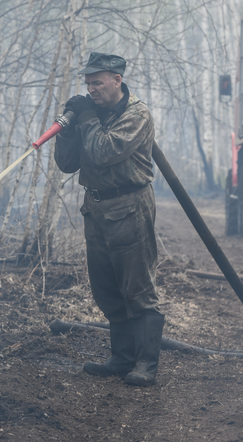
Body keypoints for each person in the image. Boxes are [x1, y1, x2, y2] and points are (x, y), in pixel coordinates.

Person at [54, 52, 164, 387]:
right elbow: (67, 164)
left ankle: (146, 363)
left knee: (138, 287)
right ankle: (121, 359)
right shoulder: (92, 113)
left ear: (117, 80)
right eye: (88, 84)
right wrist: (69, 129)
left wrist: (86, 118)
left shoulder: (137, 114)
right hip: (96, 207)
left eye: (97, 83)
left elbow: (104, 151)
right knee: (107, 287)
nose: (92, 89)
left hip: (130, 205)